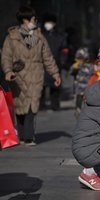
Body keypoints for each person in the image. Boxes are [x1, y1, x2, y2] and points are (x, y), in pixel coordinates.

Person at [1, 5, 61, 146]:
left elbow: (47, 57)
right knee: (20, 106)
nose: (35, 21)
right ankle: (22, 135)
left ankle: (29, 137)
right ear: (26, 20)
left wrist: (55, 74)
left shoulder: (38, 36)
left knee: (31, 106)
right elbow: (6, 56)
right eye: (34, 18)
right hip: (18, 76)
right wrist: (8, 71)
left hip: (36, 74)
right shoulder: (12, 37)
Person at [40, 13, 68, 111]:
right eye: (46, 22)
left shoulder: (60, 36)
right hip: (41, 64)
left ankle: (55, 104)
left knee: (55, 85)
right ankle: (41, 105)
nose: (48, 24)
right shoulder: (40, 35)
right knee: (41, 86)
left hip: (56, 63)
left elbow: (64, 50)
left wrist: (63, 61)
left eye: (50, 22)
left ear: (54, 23)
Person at [70, 47, 93, 118]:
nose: (78, 61)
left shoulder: (90, 66)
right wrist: (73, 69)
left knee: (87, 98)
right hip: (79, 85)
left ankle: (88, 110)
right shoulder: (76, 66)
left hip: (87, 85)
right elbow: (71, 73)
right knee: (79, 98)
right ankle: (78, 108)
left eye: (80, 59)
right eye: (78, 58)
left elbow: (91, 73)